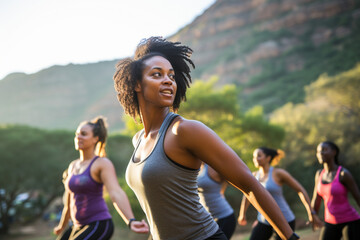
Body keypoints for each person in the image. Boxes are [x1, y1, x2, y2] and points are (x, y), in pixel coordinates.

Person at [112, 36, 300, 240]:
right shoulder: (139, 139)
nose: (168, 80)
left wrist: (290, 237)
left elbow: (250, 184)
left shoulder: (185, 131)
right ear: (137, 84)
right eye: (157, 74)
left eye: (172, 76)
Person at [53, 116, 149, 239]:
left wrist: (130, 220)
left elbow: (116, 192)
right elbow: (69, 202)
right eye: (77, 134)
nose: (78, 137)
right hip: (77, 225)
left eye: (83, 134)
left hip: (99, 224)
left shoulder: (102, 164)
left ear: (95, 139)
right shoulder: (73, 166)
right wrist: (62, 226)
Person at [238, 147, 322, 240]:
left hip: (284, 220)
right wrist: (242, 214)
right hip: (264, 221)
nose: (255, 159)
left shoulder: (278, 173)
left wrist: (311, 212)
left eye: (259, 156)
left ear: (268, 158)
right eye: (254, 157)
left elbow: (300, 190)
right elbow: (247, 195)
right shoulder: (253, 175)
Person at [311, 141, 360, 240]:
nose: (320, 153)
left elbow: (358, 197)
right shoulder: (319, 174)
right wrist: (313, 216)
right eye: (318, 151)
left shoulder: (343, 174)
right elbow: (316, 199)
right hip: (330, 222)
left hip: (350, 221)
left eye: (324, 150)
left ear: (334, 152)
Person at [198, 163, 236, 239]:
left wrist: (222, 191)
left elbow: (228, 178)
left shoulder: (212, 167)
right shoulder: (198, 167)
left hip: (225, 217)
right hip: (211, 219)